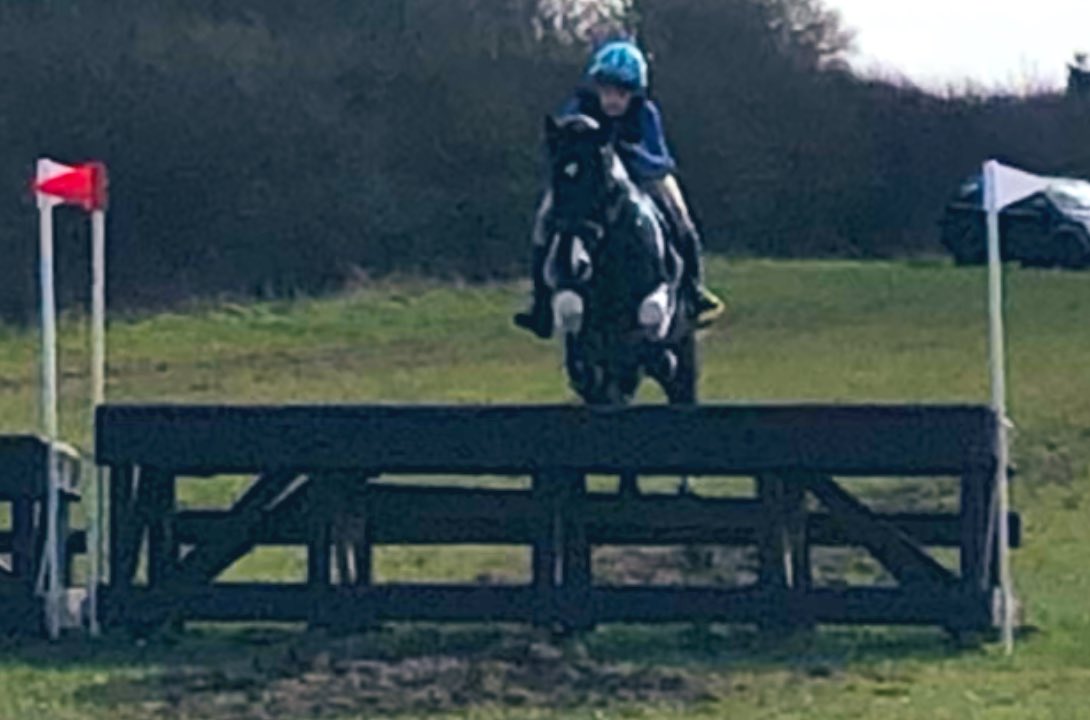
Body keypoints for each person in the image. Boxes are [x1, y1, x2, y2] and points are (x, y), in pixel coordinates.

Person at [514, 39, 725, 339]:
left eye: (621, 93)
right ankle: (540, 302)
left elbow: (656, 156)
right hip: (590, 179)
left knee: (680, 215)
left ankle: (693, 293)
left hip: (644, 175)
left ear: (634, 93)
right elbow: (564, 137)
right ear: (596, 89)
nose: (612, 100)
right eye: (606, 91)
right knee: (546, 217)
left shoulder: (646, 114)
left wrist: (620, 150)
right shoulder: (580, 107)